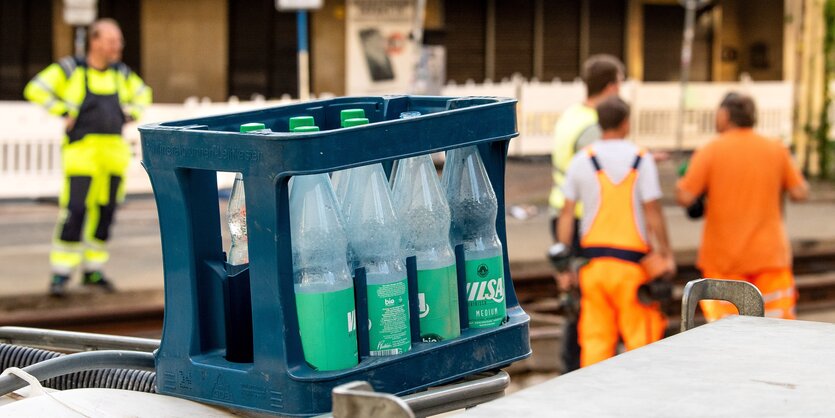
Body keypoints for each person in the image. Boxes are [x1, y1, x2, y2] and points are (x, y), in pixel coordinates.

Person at [24, 18, 152, 297]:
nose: (118, 46)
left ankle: (94, 270)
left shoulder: (122, 74)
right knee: (76, 212)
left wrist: (131, 113)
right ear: (94, 41)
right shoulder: (70, 69)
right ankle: (61, 273)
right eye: (112, 41)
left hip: (113, 156)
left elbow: (144, 94)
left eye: (119, 41)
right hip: (81, 156)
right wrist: (60, 111)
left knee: (105, 213)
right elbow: (35, 88)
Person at [559, 96, 674, 367]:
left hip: (593, 269)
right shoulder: (641, 159)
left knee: (596, 344)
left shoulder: (581, 160)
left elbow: (566, 215)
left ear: (600, 124)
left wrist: (564, 266)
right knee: (642, 345)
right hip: (631, 269)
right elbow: (653, 212)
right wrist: (666, 253)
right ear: (626, 123)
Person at [677, 93, 808, 321]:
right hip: (770, 258)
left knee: (728, 337)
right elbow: (800, 192)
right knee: (777, 333)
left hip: (725, 262)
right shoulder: (776, 149)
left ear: (725, 115)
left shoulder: (710, 151)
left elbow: (686, 197)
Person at [549, 54, 624, 372]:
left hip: (562, 213)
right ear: (610, 86)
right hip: (583, 220)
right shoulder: (594, 126)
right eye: (619, 83)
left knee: (576, 295)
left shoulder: (572, 115)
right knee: (586, 302)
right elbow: (602, 175)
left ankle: (574, 365)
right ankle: (575, 368)